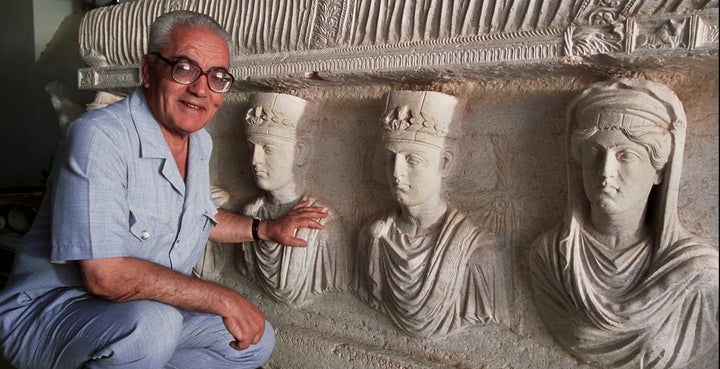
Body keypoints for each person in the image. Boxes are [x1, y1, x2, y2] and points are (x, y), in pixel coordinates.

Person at [0, 10, 327, 369]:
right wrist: (223, 298)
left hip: (137, 315)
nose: (201, 89)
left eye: (217, 77)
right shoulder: (99, 136)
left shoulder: (198, 143)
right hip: (53, 313)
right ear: (148, 70)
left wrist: (265, 228)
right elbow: (104, 276)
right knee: (156, 325)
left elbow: (200, 214)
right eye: (184, 68)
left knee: (252, 341)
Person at [529, 78, 719, 369]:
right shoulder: (551, 258)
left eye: (625, 155)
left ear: (658, 171)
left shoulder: (699, 275)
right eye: (594, 152)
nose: (606, 171)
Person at [353, 90, 508, 338]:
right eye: (390, 158)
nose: (396, 173)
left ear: (445, 163)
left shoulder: (477, 250)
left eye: (412, 159)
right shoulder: (371, 236)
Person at [235, 92, 349, 307]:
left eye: (268, 149)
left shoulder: (325, 226)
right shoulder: (250, 213)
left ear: (300, 153)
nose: (254, 160)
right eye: (252, 147)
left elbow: (337, 283)